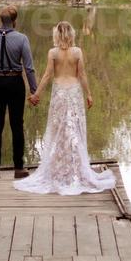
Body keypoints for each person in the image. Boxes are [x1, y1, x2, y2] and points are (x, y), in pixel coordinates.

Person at [14, 21, 116, 196]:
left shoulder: (53, 53)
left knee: (58, 131)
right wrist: (89, 94)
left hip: (60, 94)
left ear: (57, 35)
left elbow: (47, 75)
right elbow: (81, 75)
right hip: (74, 93)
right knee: (74, 129)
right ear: (71, 34)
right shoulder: (77, 52)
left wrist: (36, 94)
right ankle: (73, 169)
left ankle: (60, 170)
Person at [0, 5, 36, 178]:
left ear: (0, 20)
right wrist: (34, 90)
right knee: (16, 125)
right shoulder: (22, 39)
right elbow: (29, 67)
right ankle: (19, 168)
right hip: (15, 82)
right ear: (14, 21)